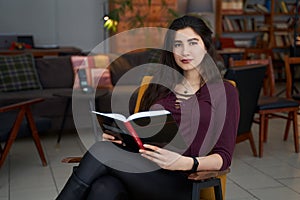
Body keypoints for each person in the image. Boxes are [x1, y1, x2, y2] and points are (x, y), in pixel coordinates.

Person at [56, 15, 240, 200]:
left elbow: (223, 156)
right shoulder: (159, 88)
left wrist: (184, 162)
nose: (185, 51)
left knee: (101, 151)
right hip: (144, 171)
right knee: (104, 187)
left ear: (206, 46)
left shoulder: (224, 92)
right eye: (178, 45)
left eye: (193, 43)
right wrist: (120, 137)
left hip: (183, 180)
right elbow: (140, 132)